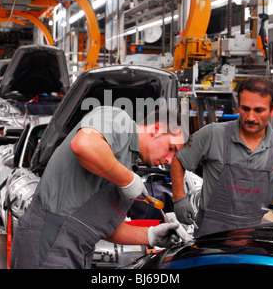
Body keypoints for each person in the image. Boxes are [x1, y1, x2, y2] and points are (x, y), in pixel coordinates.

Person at [10, 106, 187, 269]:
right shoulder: (118, 119)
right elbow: (83, 144)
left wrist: (150, 235)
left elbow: (97, 227)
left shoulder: (128, 162)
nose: (169, 161)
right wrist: (126, 179)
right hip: (47, 245)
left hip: (75, 252)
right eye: (171, 148)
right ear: (156, 129)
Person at [171, 76, 273, 237]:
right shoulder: (212, 134)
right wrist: (179, 199)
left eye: (259, 110)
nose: (250, 117)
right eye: (245, 109)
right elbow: (179, 159)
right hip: (209, 233)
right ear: (238, 106)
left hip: (252, 233)